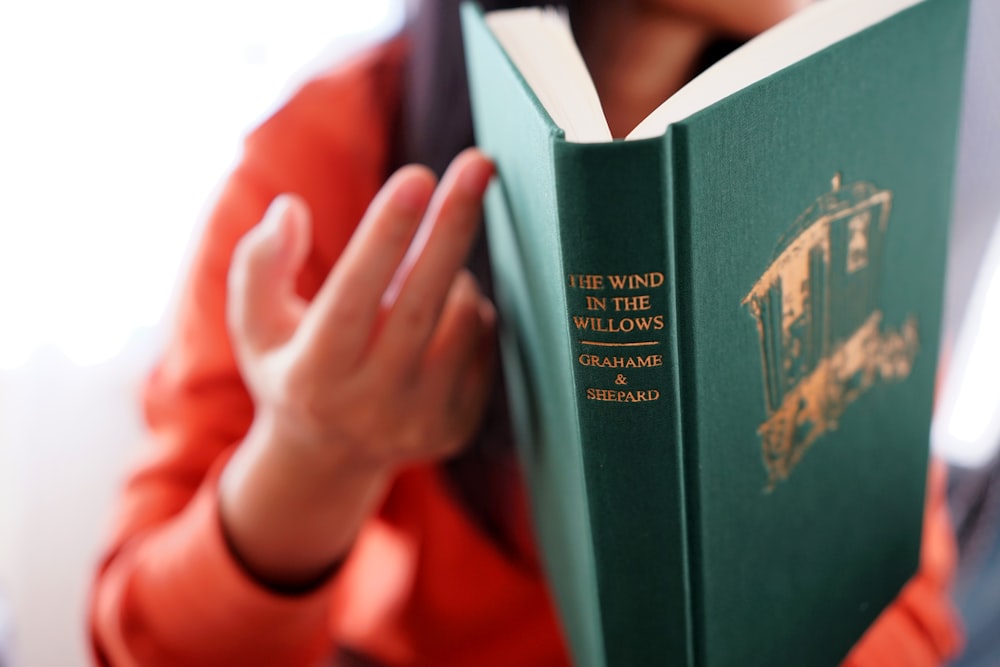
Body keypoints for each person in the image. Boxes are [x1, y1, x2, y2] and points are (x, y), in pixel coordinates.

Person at [89, 1, 964, 665]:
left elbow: (906, 595)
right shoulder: (322, 165)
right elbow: (142, 641)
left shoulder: (853, 155)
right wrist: (315, 456)